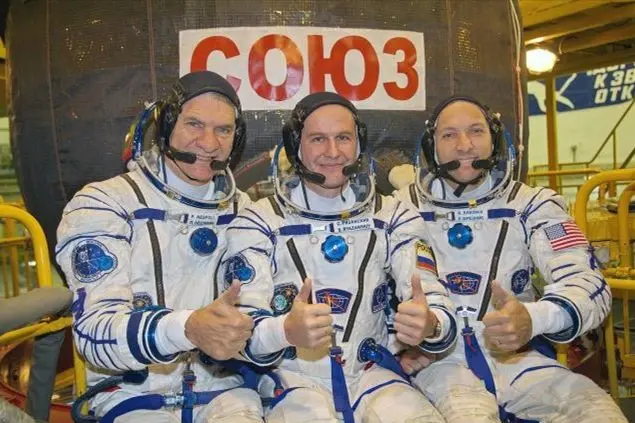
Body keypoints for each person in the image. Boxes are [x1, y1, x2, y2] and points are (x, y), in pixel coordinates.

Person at [224, 92, 456, 423]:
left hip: (371, 372)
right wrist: (285, 331)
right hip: (292, 378)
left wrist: (430, 323)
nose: (333, 152)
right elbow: (242, 329)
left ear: (358, 144)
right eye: (318, 139)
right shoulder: (258, 222)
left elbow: (431, 297)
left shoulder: (394, 216)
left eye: (343, 138)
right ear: (296, 146)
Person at [394, 95, 627, 422]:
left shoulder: (533, 205)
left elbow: (589, 284)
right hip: (442, 362)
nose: (464, 145)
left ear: (495, 140)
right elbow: (365, 296)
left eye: (476, 131)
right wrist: (403, 343)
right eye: (449, 135)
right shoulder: (401, 210)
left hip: (517, 357)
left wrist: (535, 318)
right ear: (431, 146)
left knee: (598, 412)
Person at [55, 71, 262, 422]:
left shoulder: (245, 212)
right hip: (133, 393)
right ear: (166, 126)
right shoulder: (104, 204)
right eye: (194, 124)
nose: (209, 143)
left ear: (236, 138)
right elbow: (93, 335)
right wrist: (186, 329)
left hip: (223, 390)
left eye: (223, 130)